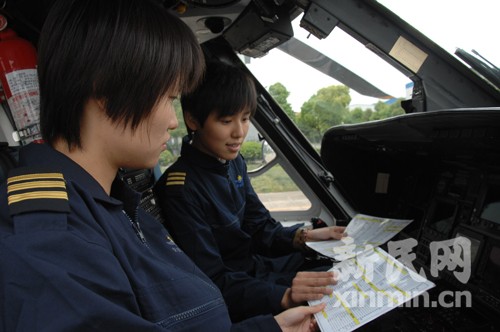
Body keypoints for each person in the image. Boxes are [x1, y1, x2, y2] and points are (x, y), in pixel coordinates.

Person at [0, 0, 326, 331]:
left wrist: (273, 328)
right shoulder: (50, 240)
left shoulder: (113, 204)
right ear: (108, 90)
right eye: (168, 98)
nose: (173, 121)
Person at [153, 60, 347, 322]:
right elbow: (213, 279)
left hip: (258, 267)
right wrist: (285, 296)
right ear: (193, 120)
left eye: (245, 118)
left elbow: (260, 226)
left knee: (337, 269)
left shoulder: (234, 163)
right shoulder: (180, 189)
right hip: (238, 289)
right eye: (226, 120)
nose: (239, 132)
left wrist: (308, 236)